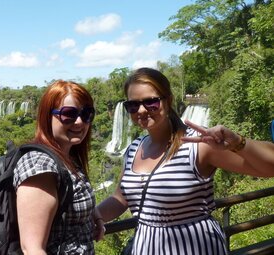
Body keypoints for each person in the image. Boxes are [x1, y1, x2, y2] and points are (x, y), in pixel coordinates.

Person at [95, 67, 274, 255]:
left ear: (168, 100)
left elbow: (269, 167)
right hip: (146, 247)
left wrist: (238, 142)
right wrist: (91, 215)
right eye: (132, 105)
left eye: (151, 102)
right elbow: (120, 199)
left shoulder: (198, 144)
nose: (141, 110)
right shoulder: (133, 149)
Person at [14, 80, 103, 254]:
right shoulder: (40, 167)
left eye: (86, 114)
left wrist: (96, 216)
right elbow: (32, 249)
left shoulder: (67, 157)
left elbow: (73, 200)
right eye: (68, 114)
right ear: (47, 116)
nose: (79, 122)